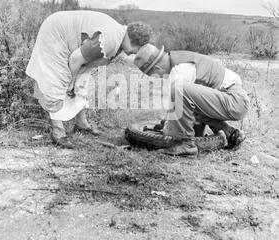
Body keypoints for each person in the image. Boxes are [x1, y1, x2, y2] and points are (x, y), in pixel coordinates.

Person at [26, 10, 153, 148]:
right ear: (133, 40)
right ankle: (58, 132)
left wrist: (77, 81)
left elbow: (85, 63)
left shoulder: (119, 37)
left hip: (64, 34)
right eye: (137, 48)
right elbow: (75, 59)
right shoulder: (110, 39)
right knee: (58, 79)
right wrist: (71, 81)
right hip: (55, 32)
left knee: (82, 80)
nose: (136, 52)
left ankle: (82, 124)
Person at [134, 44, 249, 156]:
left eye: (154, 75)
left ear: (156, 68)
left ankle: (186, 144)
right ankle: (230, 133)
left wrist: (168, 129)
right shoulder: (179, 60)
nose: (158, 78)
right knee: (187, 104)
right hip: (230, 98)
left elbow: (176, 106)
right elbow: (186, 107)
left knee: (178, 89)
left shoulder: (179, 69)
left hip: (235, 100)